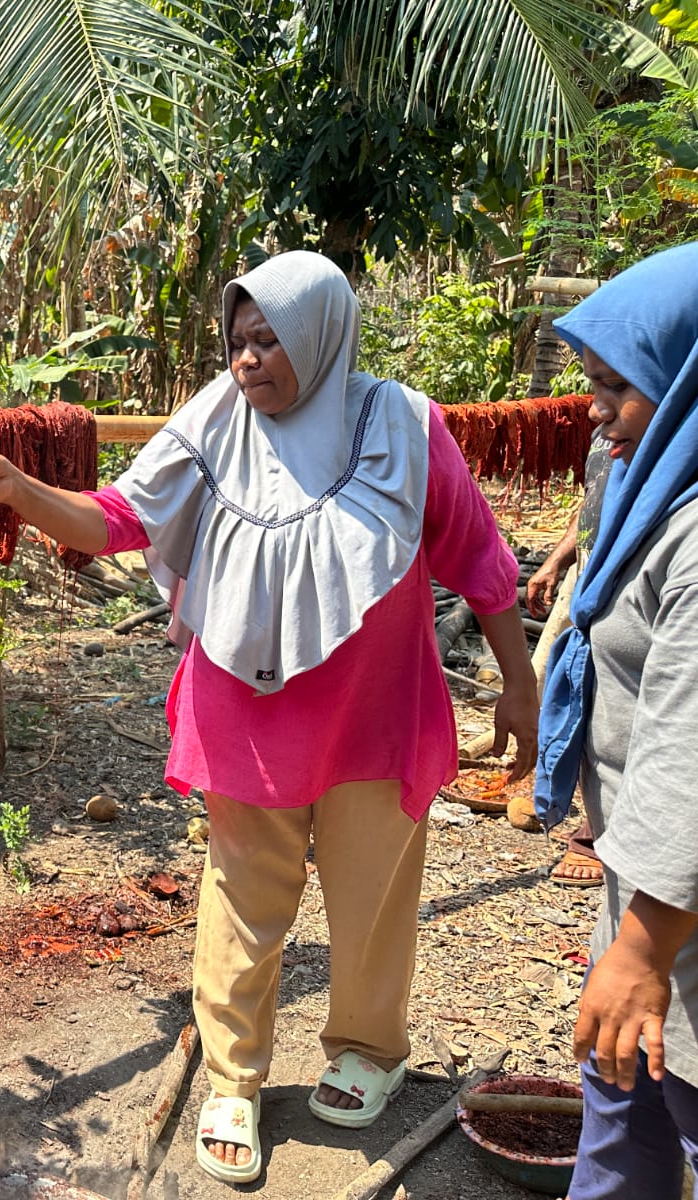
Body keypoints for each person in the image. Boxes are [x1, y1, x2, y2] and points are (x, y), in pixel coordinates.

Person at [0, 251, 538, 1184]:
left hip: (374, 714)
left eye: (269, 341)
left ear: (323, 334)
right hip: (245, 712)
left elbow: (477, 555)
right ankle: (232, 1077)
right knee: (241, 898)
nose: (247, 361)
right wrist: (22, 490)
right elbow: (117, 520)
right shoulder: (214, 425)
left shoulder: (403, 425)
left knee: (373, 895)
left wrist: (519, 682)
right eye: (235, 342)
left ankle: (366, 1052)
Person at [532, 242, 698, 1200]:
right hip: (647, 906)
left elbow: (690, 755)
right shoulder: (654, 491)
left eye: (616, 388)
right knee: (620, 1135)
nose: (595, 413)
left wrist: (641, 954)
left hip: (674, 932)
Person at [525, 434, 612, 887]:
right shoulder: (605, 427)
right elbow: (594, 501)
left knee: (610, 708)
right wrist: (556, 561)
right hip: (589, 572)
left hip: (630, 575)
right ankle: (573, 802)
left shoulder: (669, 421)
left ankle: (597, 831)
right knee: (569, 692)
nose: (598, 406)